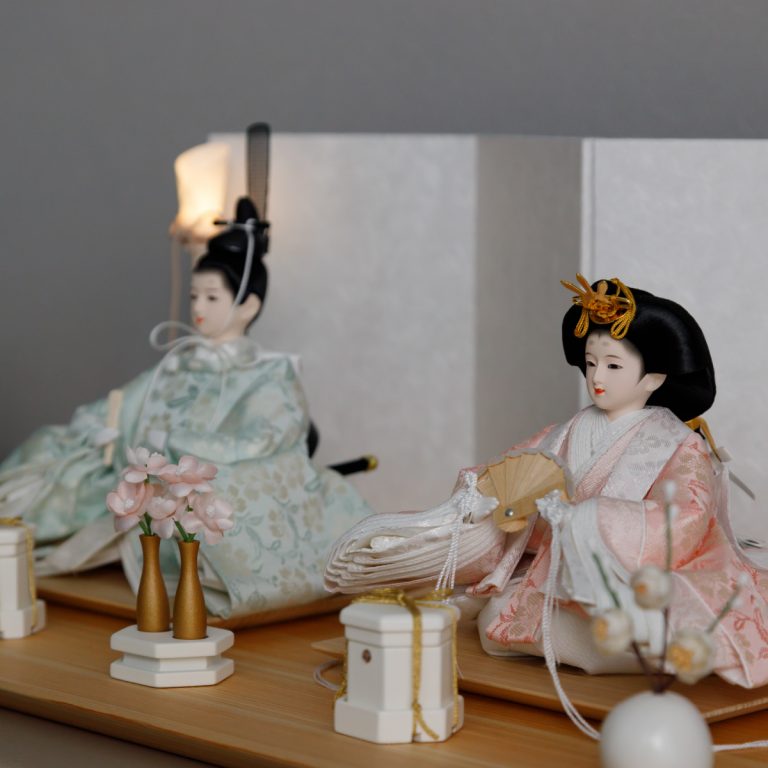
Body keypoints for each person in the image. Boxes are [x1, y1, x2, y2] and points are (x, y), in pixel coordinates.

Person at [326, 275, 768, 688]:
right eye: (591, 362)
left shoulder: (678, 445)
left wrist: (588, 521)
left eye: (614, 365)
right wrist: (482, 496)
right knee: (498, 616)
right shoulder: (567, 432)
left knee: (637, 628)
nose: (597, 377)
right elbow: (513, 471)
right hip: (552, 572)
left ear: (654, 376)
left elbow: (685, 518)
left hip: (618, 578)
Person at [0, 198, 371, 618]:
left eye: (212, 297)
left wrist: (180, 442)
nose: (198, 308)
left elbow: (267, 437)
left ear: (248, 305)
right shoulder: (180, 361)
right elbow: (125, 402)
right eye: (195, 295)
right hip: (143, 474)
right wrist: (101, 427)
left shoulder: (267, 374)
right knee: (50, 447)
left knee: (203, 503)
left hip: (201, 477)